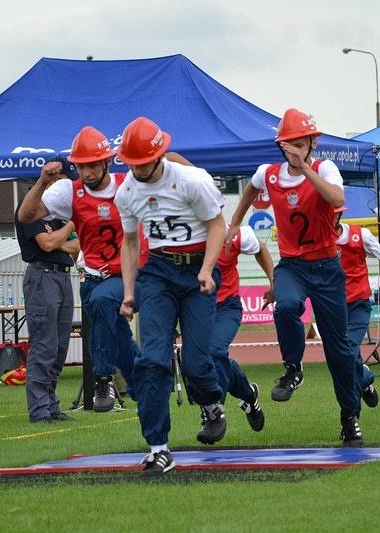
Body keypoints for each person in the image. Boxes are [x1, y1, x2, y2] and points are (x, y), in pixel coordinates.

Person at [227, 108, 363, 447]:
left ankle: (350, 417)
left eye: (300, 144)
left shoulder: (324, 169)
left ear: (312, 143)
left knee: (340, 351)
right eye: (289, 145)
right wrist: (234, 223)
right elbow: (249, 190)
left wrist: (305, 169)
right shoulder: (269, 174)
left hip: (327, 267)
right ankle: (293, 367)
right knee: (286, 304)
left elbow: (338, 198)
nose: (294, 151)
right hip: (292, 265)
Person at [115, 117, 227, 475]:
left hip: (196, 271)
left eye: (141, 163)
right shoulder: (126, 191)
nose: (136, 170)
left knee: (196, 362)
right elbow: (130, 242)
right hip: (158, 273)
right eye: (130, 163)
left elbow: (217, 225)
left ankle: (211, 403)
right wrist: (129, 292)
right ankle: (158, 447)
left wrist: (207, 269)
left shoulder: (193, 181)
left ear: (158, 155)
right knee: (152, 360)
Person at [19, 127, 145, 413]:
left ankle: (102, 378)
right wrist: (42, 182)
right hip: (92, 278)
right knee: (118, 338)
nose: (86, 172)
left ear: (107, 162)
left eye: (93, 165)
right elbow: (26, 216)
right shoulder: (68, 191)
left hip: (125, 275)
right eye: (81, 166)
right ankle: (142, 386)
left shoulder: (128, 185)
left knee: (103, 301)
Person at [193, 223, 274, 432]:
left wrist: (274, 283)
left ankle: (214, 413)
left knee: (214, 351)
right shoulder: (187, 237)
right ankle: (249, 393)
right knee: (207, 359)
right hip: (196, 309)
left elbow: (260, 248)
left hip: (227, 307)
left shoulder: (237, 235)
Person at [15, 178, 78, 423]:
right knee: (44, 344)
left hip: (62, 276)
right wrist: (70, 226)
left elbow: (77, 246)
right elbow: (47, 243)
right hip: (42, 276)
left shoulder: (57, 213)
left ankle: (51, 405)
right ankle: (39, 410)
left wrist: (58, 241)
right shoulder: (31, 210)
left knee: (59, 347)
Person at [334, 207, 380, 408]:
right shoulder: (316, 238)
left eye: (332, 212)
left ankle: (351, 414)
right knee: (341, 355)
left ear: (339, 215)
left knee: (347, 350)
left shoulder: (360, 235)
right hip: (332, 307)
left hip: (358, 303)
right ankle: (365, 378)